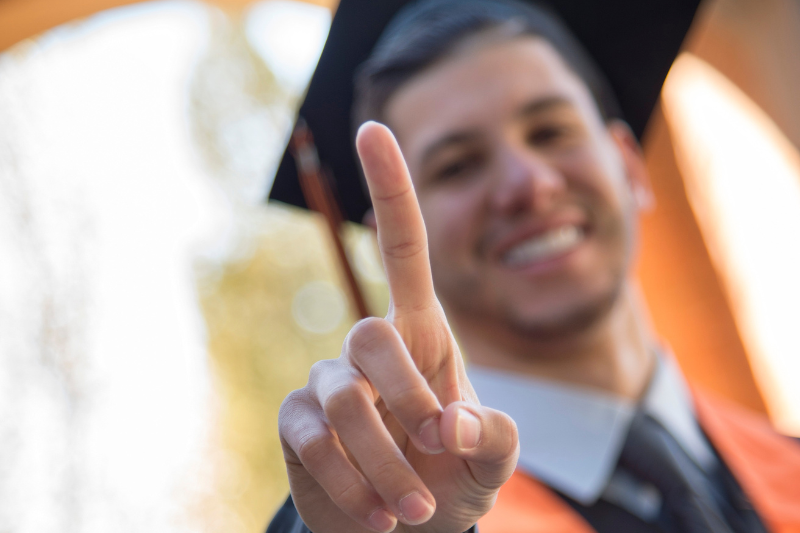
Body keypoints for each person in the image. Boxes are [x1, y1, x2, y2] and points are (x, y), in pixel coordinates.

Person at [268, 1, 800, 532]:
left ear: (630, 163)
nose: (528, 183)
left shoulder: (787, 464)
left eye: (550, 132)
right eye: (458, 166)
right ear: (392, 236)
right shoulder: (399, 509)